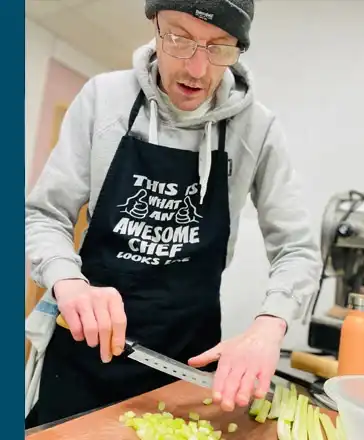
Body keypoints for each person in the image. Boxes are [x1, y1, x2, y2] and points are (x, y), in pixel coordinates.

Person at [25, 0, 322, 429]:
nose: (197, 69)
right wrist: (67, 280)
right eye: (179, 39)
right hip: (83, 353)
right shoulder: (103, 99)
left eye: (219, 47)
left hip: (186, 362)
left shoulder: (258, 129)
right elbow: (44, 214)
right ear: (154, 25)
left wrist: (269, 325)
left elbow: (296, 249)